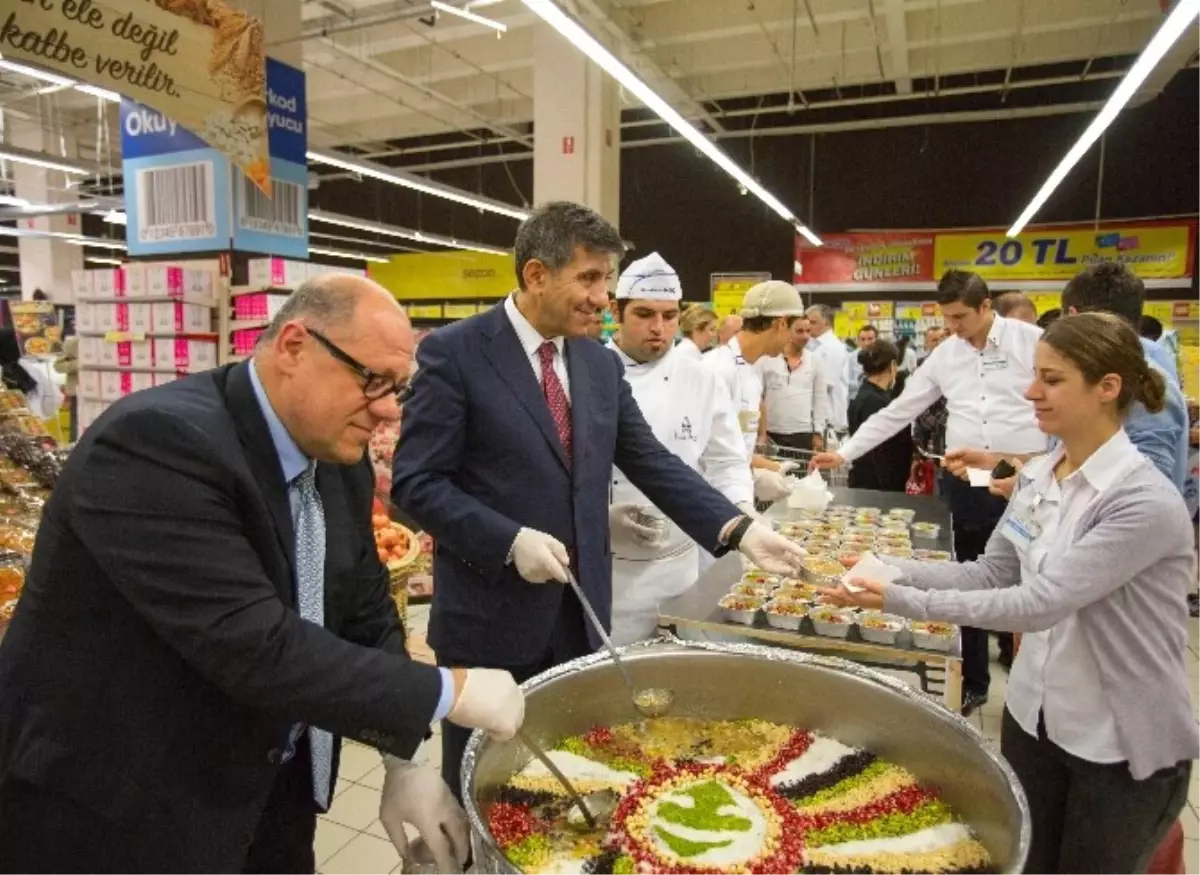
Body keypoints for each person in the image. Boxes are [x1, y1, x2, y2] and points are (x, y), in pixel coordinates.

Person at [0, 276, 525, 875]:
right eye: (371, 380)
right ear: (295, 346)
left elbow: (362, 605)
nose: (385, 410)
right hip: (120, 804)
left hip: (268, 789)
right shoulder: (158, 443)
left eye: (397, 389)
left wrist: (402, 760)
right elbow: (254, 645)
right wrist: (449, 693)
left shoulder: (334, 457)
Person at [390, 202, 805, 802]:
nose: (601, 296)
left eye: (606, 280)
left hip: (581, 618)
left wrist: (739, 528)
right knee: (481, 789)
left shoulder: (595, 363)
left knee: (565, 784)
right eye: (588, 278)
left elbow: (653, 462)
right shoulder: (456, 354)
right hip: (490, 624)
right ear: (536, 275)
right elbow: (416, 483)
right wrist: (507, 540)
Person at [822, 312, 1200, 875]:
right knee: (1026, 860)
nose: (1031, 391)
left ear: (1108, 388)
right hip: (1034, 720)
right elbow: (990, 573)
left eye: (1051, 379)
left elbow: (1039, 603)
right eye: (1034, 375)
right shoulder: (1043, 475)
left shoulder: (1140, 502)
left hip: (1115, 745)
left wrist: (901, 601)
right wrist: (888, 569)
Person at [811, 270, 1046, 716]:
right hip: (967, 480)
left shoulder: (1030, 341)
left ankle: (1029, 676)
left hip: (1027, 475)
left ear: (985, 307)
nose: (954, 326)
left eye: (961, 316)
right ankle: (974, 681)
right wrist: (845, 453)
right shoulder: (946, 355)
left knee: (1033, 576)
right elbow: (901, 410)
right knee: (973, 578)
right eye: (947, 317)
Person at [605, 253, 753, 645]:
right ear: (614, 312)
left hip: (683, 566)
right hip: (613, 575)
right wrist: (599, 517)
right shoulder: (588, 375)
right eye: (644, 314)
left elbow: (725, 460)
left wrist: (743, 510)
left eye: (669, 316)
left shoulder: (701, 379)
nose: (659, 328)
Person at [704, 280, 810, 503]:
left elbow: (736, 446)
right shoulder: (716, 370)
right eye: (792, 329)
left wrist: (767, 469)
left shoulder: (752, 373)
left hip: (735, 497)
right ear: (780, 323)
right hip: (711, 502)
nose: (792, 339)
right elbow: (705, 452)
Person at [845, 340, 912, 491]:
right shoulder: (876, 402)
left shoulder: (865, 396)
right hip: (878, 486)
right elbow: (881, 454)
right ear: (893, 365)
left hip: (866, 479)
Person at [758, 314, 829, 453]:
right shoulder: (767, 359)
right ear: (788, 331)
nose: (805, 336)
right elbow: (758, 397)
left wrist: (818, 432)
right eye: (799, 331)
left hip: (802, 433)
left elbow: (820, 399)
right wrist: (761, 432)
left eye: (808, 331)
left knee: (801, 474)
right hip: (772, 432)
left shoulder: (815, 361)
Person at [806, 304, 850, 432]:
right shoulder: (814, 345)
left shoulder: (832, 347)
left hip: (830, 420)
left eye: (813, 322)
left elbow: (825, 384)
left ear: (825, 322)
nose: (808, 326)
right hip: (820, 418)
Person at [844, 323, 877, 402]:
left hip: (875, 400)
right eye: (862, 339)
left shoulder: (882, 357)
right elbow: (845, 381)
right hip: (856, 400)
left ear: (876, 339)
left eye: (870, 339)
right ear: (858, 340)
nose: (866, 343)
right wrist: (861, 383)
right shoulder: (851, 358)